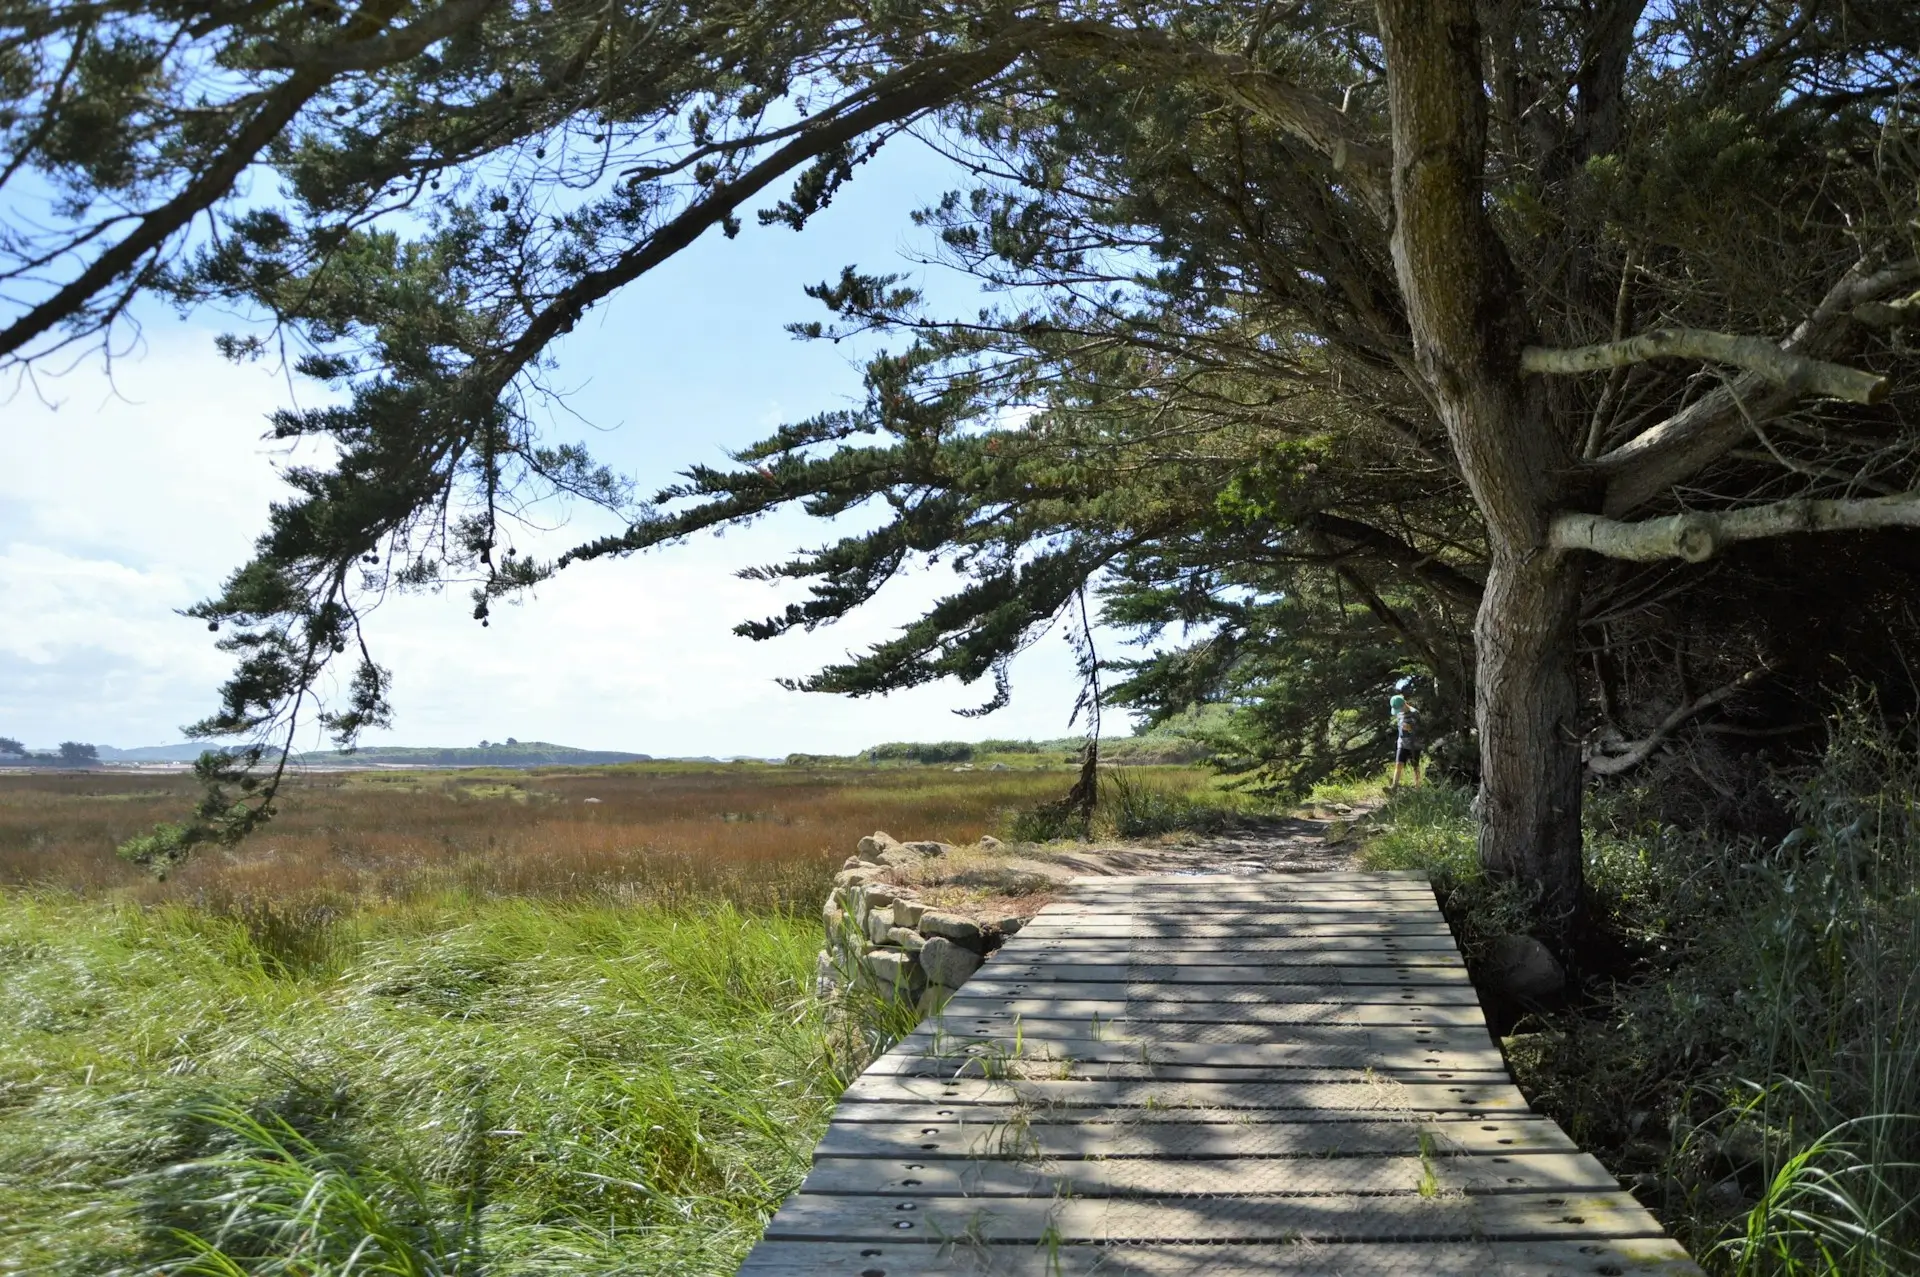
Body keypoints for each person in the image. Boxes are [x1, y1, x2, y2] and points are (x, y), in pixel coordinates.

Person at [1390, 693, 1424, 789]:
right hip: (1402, 743)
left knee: (1415, 765)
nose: (1398, 712)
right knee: (1398, 763)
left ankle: (1418, 786)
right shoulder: (1399, 714)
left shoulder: (1415, 713)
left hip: (1415, 744)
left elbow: (1420, 729)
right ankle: (1394, 786)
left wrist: (1410, 729)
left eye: (1399, 709)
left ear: (1404, 704)